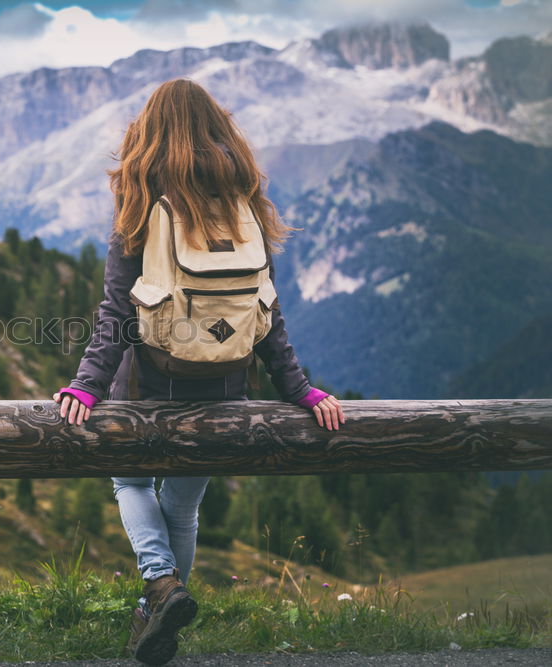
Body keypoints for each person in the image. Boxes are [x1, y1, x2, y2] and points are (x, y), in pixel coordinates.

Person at [51, 78, 346, 666]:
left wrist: (86, 383)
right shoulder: (243, 199)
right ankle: (156, 612)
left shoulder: (143, 196)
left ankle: (160, 587)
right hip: (224, 384)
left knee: (130, 480)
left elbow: (117, 306)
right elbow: (265, 307)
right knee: (182, 506)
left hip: (148, 383)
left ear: (150, 132)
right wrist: (301, 388)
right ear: (219, 130)